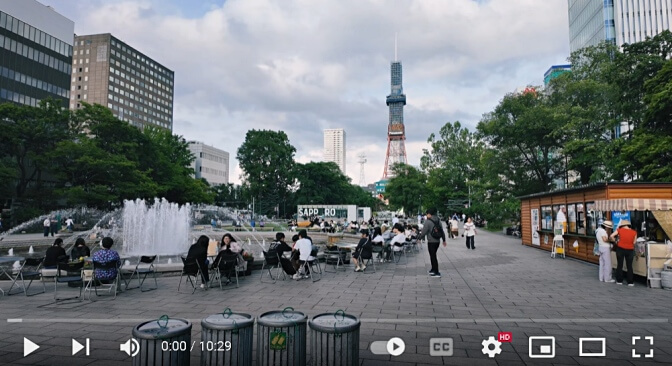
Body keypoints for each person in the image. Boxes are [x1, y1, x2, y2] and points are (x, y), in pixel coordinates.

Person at [419, 208, 446, 278]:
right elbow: (442, 231)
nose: (426, 215)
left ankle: (436, 272)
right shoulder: (438, 220)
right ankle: (433, 269)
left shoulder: (428, 221)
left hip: (431, 241)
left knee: (433, 256)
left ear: (429, 214)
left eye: (427, 214)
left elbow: (424, 232)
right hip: (437, 241)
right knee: (433, 255)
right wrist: (444, 240)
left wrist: (419, 237)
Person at [610, 219, 637, 286]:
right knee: (629, 266)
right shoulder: (634, 232)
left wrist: (616, 242)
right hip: (630, 250)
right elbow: (634, 242)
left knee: (620, 265)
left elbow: (611, 236)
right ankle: (630, 282)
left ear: (622, 225)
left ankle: (619, 281)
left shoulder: (619, 230)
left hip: (620, 249)